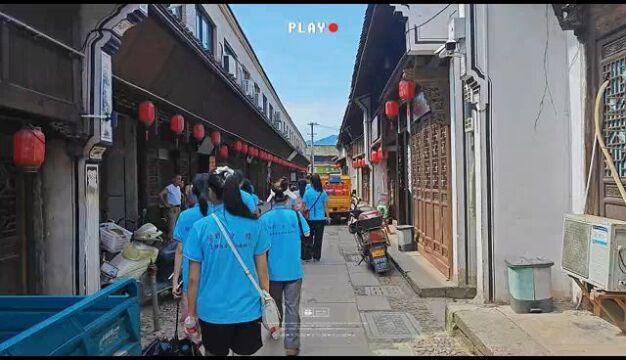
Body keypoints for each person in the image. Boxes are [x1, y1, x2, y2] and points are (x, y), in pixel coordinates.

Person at [184, 166, 271, 356]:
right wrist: (267, 301)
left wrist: (191, 314)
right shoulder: (256, 225)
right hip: (248, 309)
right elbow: (263, 271)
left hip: (212, 312)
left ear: (211, 193)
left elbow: (193, 279)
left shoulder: (200, 228)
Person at [261, 178, 310, 356]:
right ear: (287, 198)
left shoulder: (265, 219)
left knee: (274, 304)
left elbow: (260, 246)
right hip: (293, 271)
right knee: (292, 308)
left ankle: (275, 327)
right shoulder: (295, 216)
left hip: (272, 272)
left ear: (272, 198)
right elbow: (307, 232)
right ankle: (291, 346)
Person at [171, 173, 210, 339]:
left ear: (192, 192)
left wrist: (174, 282)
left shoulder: (185, 216)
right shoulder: (217, 216)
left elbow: (179, 250)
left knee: (191, 329)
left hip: (189, 280)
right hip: (213, 279)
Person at [302, 174, 330, 262]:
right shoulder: (323, 193)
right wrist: (328, 217)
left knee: (309, 237)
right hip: (320, 219)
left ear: (311, 182)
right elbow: (325, 207)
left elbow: (304, 205)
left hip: (309, 218)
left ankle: (308, 256)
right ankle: (316, 256)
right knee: (318, 238)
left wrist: (302, 215)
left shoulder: (307, 192)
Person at [159, 174, 183, 240]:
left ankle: (175, 241)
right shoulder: (169, 187)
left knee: (177, 226)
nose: (179, 181)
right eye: (178, 179)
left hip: (178, 208)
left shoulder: (178, 188)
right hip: (172, 209)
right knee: (171, 227)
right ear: (174, 179)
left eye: (180, 179)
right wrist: (165, 204)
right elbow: (161, 194)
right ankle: (170, 241)